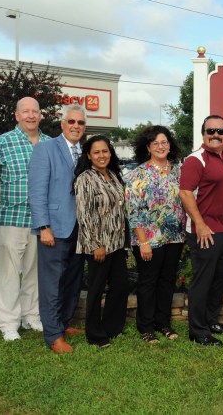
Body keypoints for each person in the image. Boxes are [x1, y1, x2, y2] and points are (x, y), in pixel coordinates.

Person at [0, 97, 50, 341]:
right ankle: (8, 323)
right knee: (7, 272)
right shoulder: (2, 142)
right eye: (26, 112)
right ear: (17, 116)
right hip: (10, 216)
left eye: (35, 111)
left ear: (41, 115)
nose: (31, 116)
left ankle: (31, 316)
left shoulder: (49, 143)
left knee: (35, 272)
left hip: (40, 220)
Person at [28, 104, 87, 354]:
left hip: (81, 229)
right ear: (62, 124)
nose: (75, 126)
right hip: (54, 227)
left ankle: (63, 323)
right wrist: (43, 226)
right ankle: (53, 335)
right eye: (71, 122)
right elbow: (37, 190)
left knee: (72, 280)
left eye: (80, 123)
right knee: (52, 283)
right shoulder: (45, 148)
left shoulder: (87, 152)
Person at [179, 115, 223, 346]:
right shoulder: (195, 160)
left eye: (220, 131)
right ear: (203, 133)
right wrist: (201, 224)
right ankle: (198, 330)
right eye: (210, 131)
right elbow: (185, 193)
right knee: (203, 281)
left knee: (221, 278)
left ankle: (212, 320)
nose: (215, 134)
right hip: (204, 231)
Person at [126, 125, 186, 344]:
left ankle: (164, 323)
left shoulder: (179, 170)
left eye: (164, 142)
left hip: (174, 236)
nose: (161, 147)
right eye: (155, 143)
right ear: (148, 147)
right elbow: (133, 211)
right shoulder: (137, 174)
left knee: (167, 281)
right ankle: (146, 327)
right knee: (148, 282)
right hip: (148, 238)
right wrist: (142, 241)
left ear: (170, 144)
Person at [74, 135, 130, 348]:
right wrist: (96, 244)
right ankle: (96, 335)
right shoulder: (85, 179)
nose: (101, 155)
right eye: (96, 152)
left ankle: (113, 328)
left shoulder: (114, 175)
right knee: (96, 290)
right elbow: (84, 215)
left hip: (116, 243)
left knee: (121, 286)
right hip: (98, 245)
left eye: (105, 151)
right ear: (89, 156)